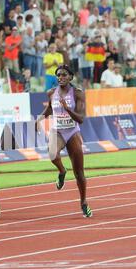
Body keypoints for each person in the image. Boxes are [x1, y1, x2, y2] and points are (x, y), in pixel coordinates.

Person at [36, 64, 92, 218]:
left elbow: (80, 119)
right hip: (57, 131)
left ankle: (83, 202)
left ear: (70, 77)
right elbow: (50, 109)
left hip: (72, 132)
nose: (61, 77)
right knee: (52, 153)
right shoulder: (51, 92)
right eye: (58, 75)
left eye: (64, 75)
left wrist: (67, 108)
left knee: (79, 173)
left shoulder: (78, 94)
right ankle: (61, 171)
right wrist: (40, 118)